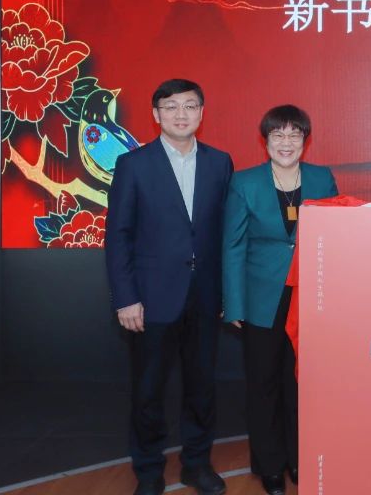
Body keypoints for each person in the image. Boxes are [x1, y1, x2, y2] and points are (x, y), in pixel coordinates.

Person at [105, 79, 234, 495]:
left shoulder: (220, 163)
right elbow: (118, 236)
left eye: (190, 106)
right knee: (148, 392)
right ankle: (148, 471)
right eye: (172, 106)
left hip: (205, 297)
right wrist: (126, 297)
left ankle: (197, 465)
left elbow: (226, 234)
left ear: (201, 113)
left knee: (202, 388)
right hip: (151, 298)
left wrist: (228, 294)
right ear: (156, 114)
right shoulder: (133, 164)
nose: (182, 114)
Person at [222, 104, 338, 495]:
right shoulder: (245, 182)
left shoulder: (322, 178)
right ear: (266, 140)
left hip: (311, 296)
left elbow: (338, 236)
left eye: (294, 134)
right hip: (262, 299)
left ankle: (300, 458)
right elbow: (233, 245)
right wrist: (234, 303)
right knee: (264, 384)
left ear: (305, 140)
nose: (286, 143)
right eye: (277, 135)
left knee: (303, 383)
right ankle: (270, 465)